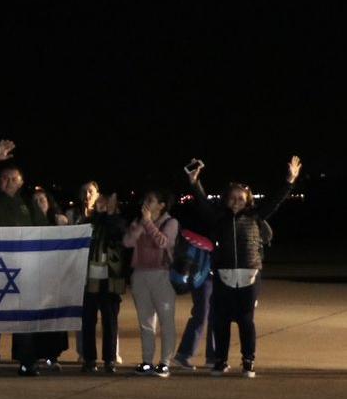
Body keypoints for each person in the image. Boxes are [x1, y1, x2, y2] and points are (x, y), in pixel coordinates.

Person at [185, 156, 300, 378]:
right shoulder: (218, 219)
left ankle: (248, 361)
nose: (237, 201)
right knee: (221, 320)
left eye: (241, 198)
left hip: (249, 275)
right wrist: (194, 182)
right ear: (226, 199)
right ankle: (220, 361)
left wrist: (289, 181)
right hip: (223, 275)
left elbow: (275, 201)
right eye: (233, 197)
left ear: (247, 200)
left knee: (246, 320)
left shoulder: (256, 216)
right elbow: (201, 202)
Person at [0, 140, 47, 377]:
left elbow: (41, 233)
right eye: (5, 178)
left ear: (22, 182)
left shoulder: (28, 204)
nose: (9, 182)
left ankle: (26, 361)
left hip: (23, 270)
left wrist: (43, 213)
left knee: (23, 319)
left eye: (15, 178)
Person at [124, 191, 181, 377]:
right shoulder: (139, 221)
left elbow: (163, 242)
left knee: (166, 320)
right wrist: (140, 225)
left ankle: (165, 362)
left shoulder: (170, 222)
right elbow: (127, 242)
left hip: (162, 275)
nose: (146, 203)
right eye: (145, 199)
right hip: (140, 274)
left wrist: (148, 223)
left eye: (150, 200)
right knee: (145, 321)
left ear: (162, 205)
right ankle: (147, 361)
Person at [79, 184, 129, 374]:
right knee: (88, 321)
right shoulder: (89, 221)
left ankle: (109, 359)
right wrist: (96, 214)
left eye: (106, 203)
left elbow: (116, 233)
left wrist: (109, 214)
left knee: (110, 321)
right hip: (89, 279)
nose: (102, 205)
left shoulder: (118, 221)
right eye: (100, 203)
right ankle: (89, 359)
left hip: (110, 279)